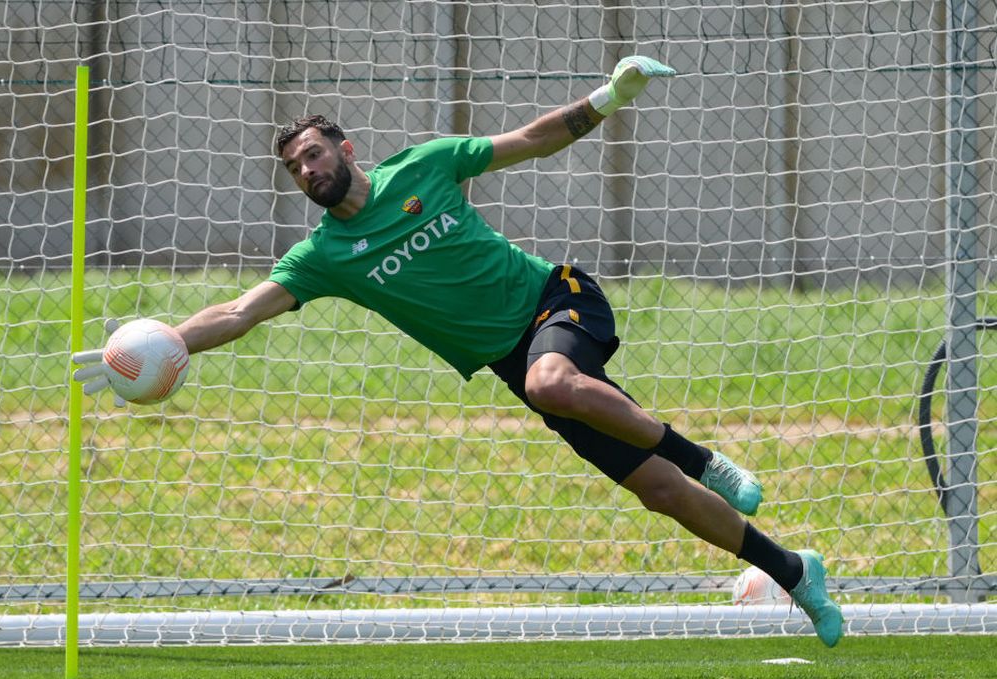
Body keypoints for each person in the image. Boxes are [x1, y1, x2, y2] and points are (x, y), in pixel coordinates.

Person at [75, 56, 843, 647]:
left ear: (346, 146)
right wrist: (167, 344)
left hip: (557, 297)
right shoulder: (326, 255)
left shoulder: (426, 166)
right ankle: (795, 573)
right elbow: (241, 311)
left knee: (554, 381)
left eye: (314, 152)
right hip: (519, 364)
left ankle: (702, 455)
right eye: (295, 167)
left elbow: (530, 142)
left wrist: (608, 98)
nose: (308, 170)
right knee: (657, 492)